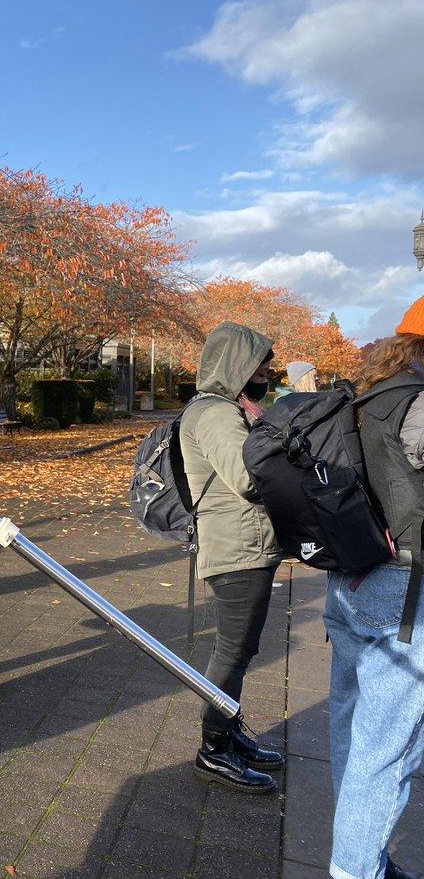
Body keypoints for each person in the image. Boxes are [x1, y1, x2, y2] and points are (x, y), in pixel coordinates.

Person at [324, 297, 424, 879]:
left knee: (353, 727)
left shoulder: (368, 397)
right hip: (404, 591)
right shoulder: (419, 402)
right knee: (388, 750)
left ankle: (364, 858)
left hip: (352, 578)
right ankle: (355, 869)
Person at [179, 321, 285, 793]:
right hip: (237, 549)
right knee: (232, 652)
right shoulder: (216, 413)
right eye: (261, 363)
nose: (268, 371)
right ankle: (213, 749)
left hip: (246, 545)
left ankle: (230, 733)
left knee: (241, 650)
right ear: (237, 365)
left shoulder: (230, 408)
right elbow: (246, 477)